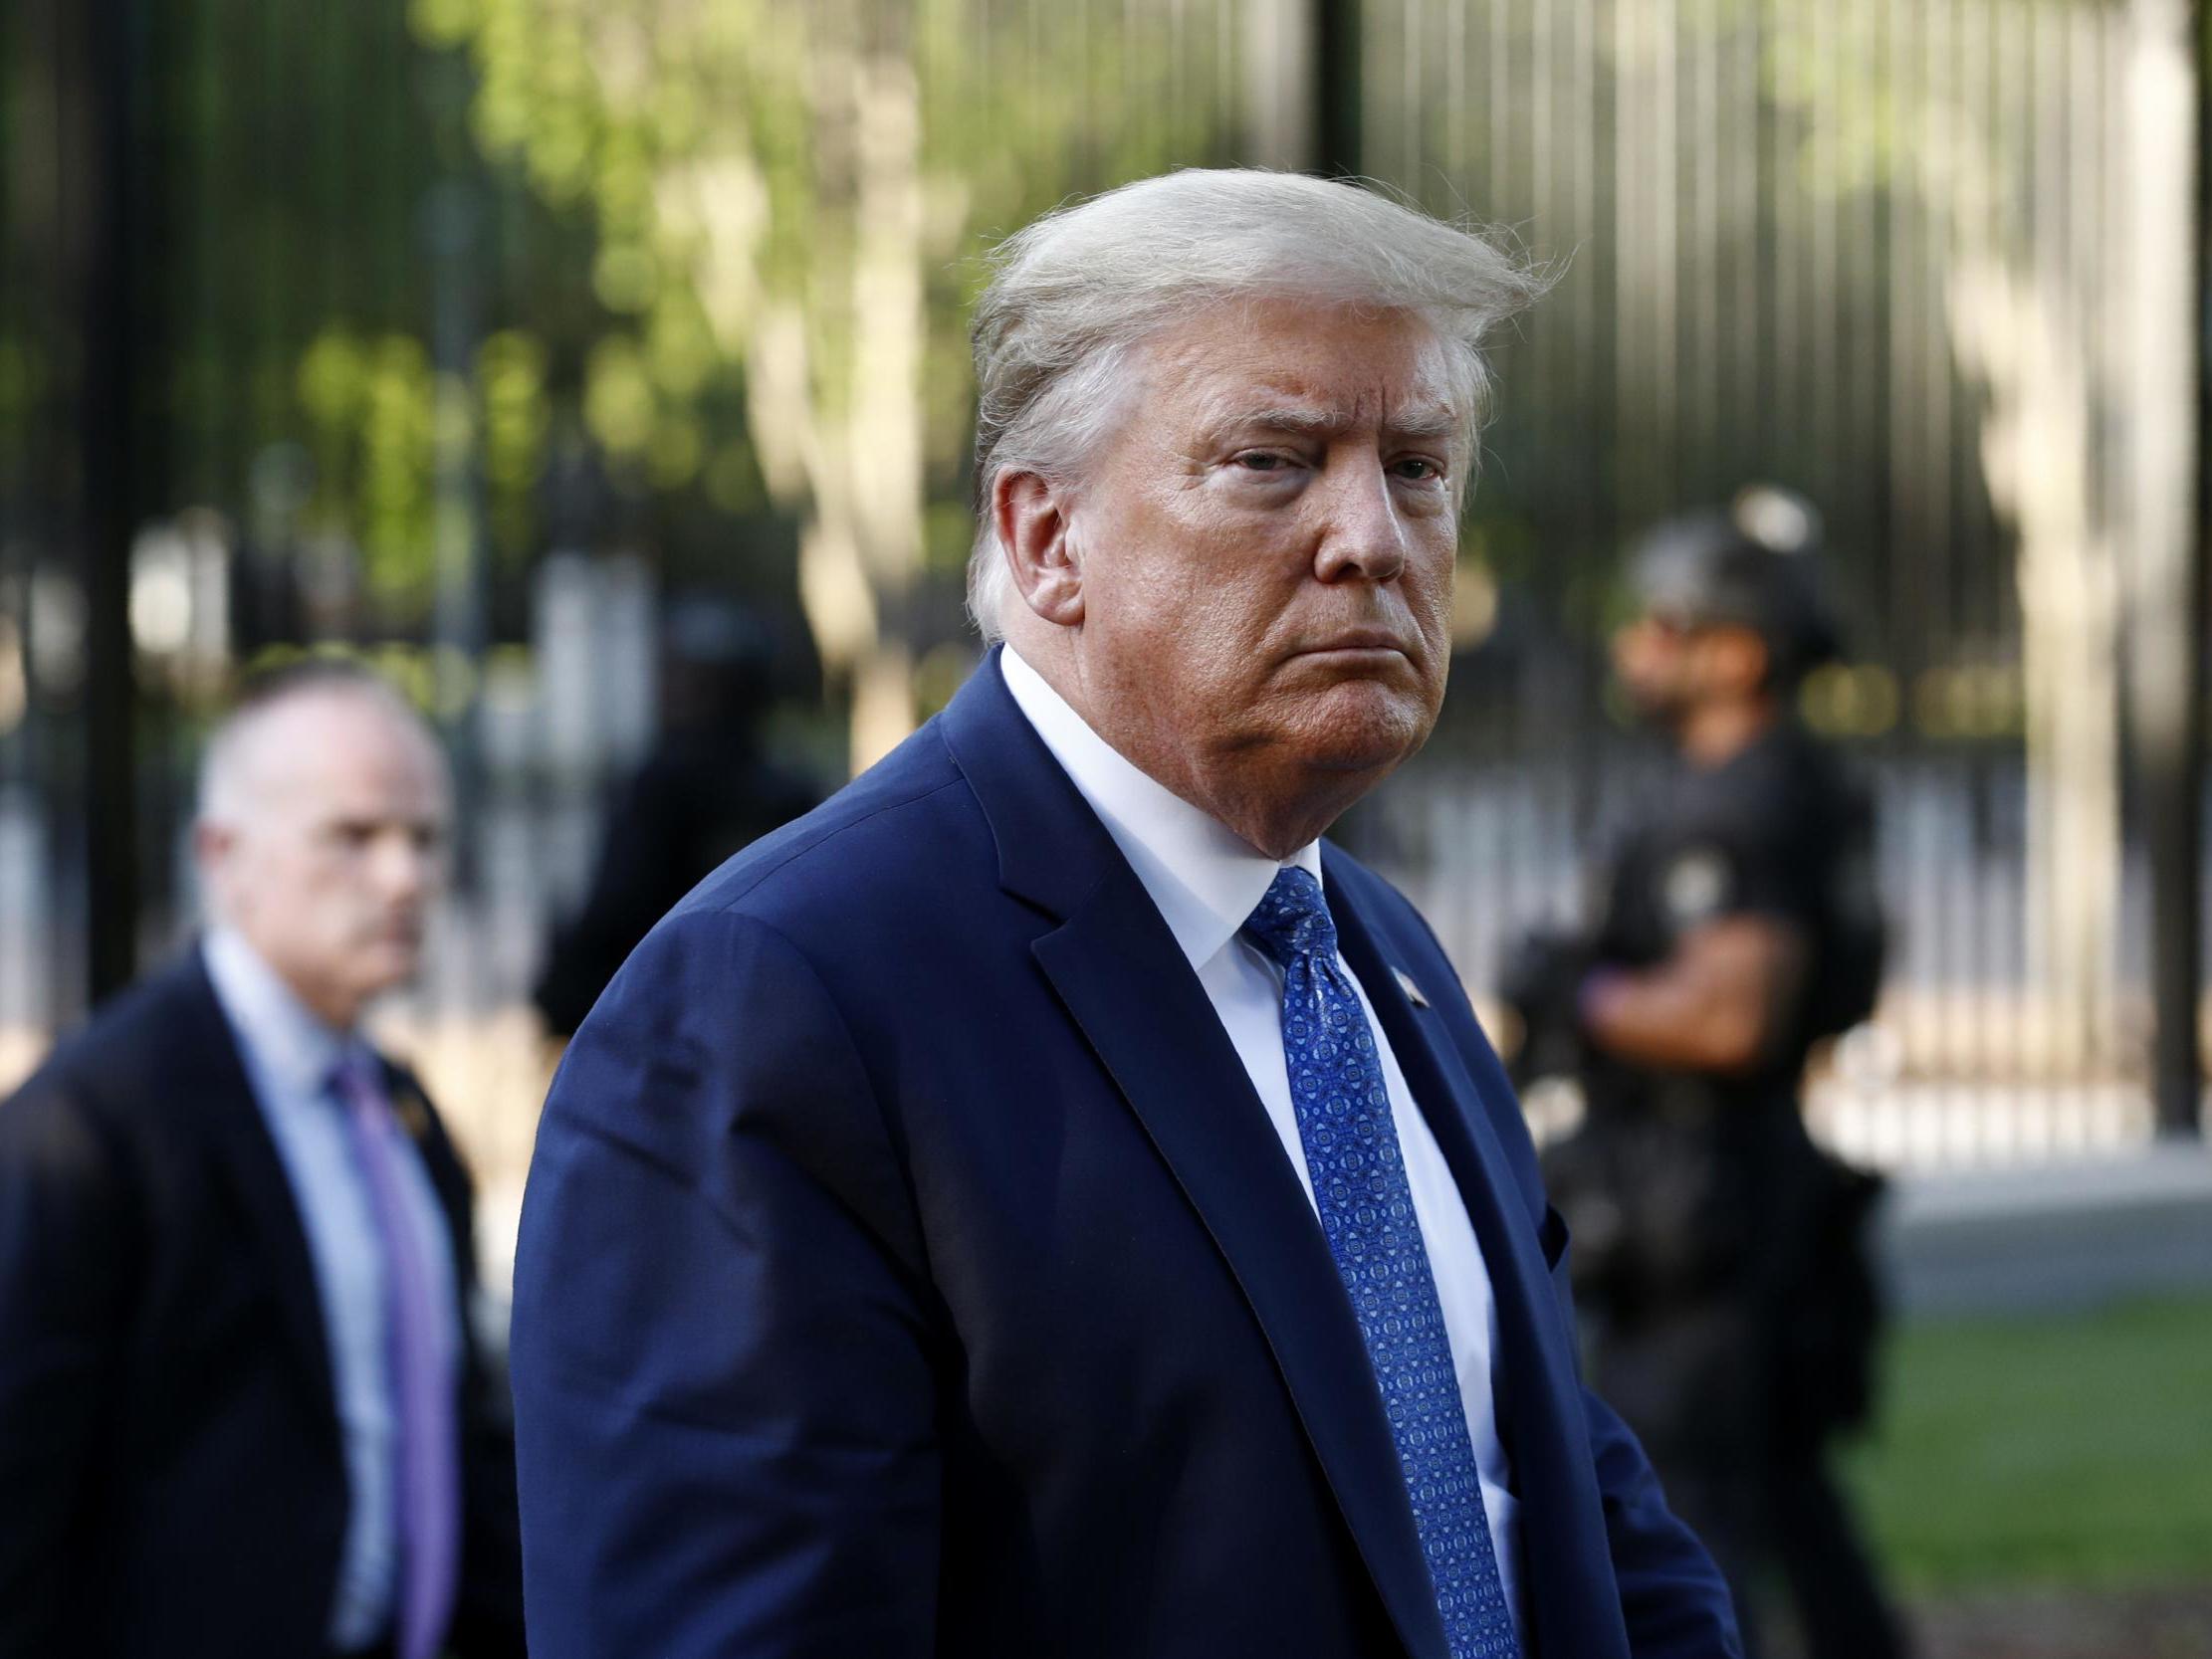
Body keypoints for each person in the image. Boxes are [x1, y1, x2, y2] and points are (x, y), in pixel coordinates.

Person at [511, 168, 1740, 1659]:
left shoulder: (1370, 952)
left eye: (1415, 466)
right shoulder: (774, 1005)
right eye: (1272, 461)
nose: (1368, 535)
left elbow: (1548, 1503)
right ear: (1044, 539)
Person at [0, 662, 526, 1659]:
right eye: (353, 836)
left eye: (424, 837)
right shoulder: (91, 1122)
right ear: (222, 855)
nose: (405, 876)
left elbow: (443, 1435)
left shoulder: (398, 1109)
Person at [1507, 492, 1906, 1659]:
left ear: (1734, 652)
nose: (1635, 645)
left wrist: (1579, 996)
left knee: (1682, 1520)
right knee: (1784, 1494)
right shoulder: (1786, 782)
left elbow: (1731, 1016)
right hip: (1752, 1194)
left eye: (1663, 626)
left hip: (1702, 1213)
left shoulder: (1739, 804)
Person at [532, 596, 819, 1038]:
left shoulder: (662, 787)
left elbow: (616, 915)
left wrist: (561, 993)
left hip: (662, 1029)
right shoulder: (792, 792)